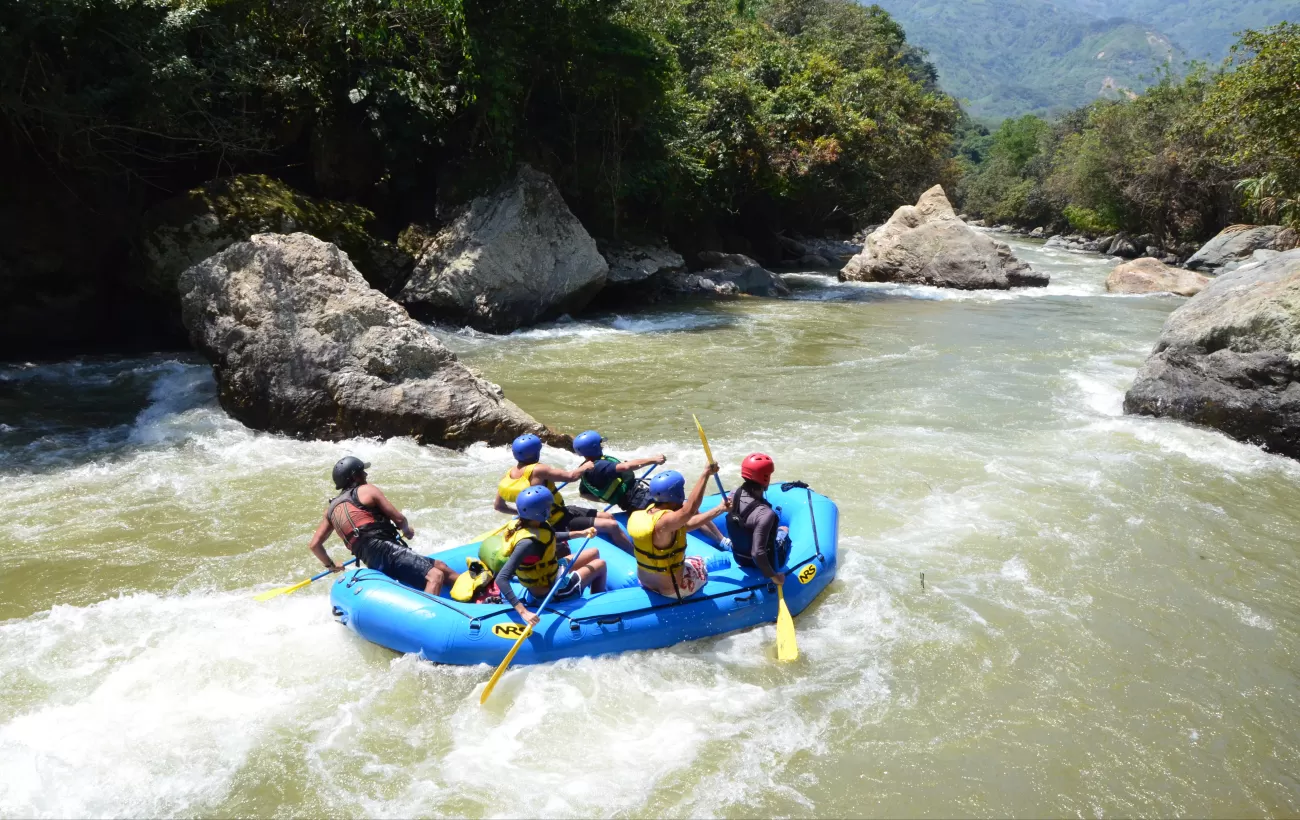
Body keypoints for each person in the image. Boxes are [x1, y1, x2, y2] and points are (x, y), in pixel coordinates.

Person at [306, 457, 460, 595]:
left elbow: (315, 545)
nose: (365, 475)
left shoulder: (331, 510)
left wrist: (331, 565)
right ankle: (427, 621)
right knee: (435, 576)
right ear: (354, 477)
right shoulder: (366, 490)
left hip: (370, 558)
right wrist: (407, 531)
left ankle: (476, 592)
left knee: (441, 566)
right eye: (362, 472)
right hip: (385, 548)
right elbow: (399, 519)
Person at [488, 485, 607, 627]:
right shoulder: (526, 544)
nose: (550, 509)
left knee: (594, 552)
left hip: (551, 573)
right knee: (601, 564)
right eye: (548, 507)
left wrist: (580, 533)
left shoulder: (527, 524)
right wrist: (523, 612)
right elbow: (502, 578)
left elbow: (549, 537)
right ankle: (599, 612)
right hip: (552, 591)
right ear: (540, 512)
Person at [495, 433, 633, 550]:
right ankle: (635, 557)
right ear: (536, 452)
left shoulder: (508, 474)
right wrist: (584, 467)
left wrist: (525, 512)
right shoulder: (538, 469)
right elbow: (571, 476)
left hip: (563, 511)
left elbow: (499, 506)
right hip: (557, 522)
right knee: (612, 525)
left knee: (607, 516)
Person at [626, 465, 729, 599]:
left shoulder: (641, 514)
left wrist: (719, 509)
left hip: (645, 582)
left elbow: (687, 525)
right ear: (677, 494)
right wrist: (705, 474)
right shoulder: (666, 522)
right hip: (672, 589)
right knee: (699, 561)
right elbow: (689, 510)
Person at [725, 453, 790, 584]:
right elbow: (757, 553)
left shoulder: (733, 494)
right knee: (784, 530)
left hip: (739, 558)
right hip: (759, 563)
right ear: (766, 477)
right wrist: (775, 577)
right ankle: (782, 534)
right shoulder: (765, 514)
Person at [571, 429, 664, 512]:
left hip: (627, 502)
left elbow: (583, 494)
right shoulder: (599, 465)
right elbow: (625, 467)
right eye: (600, 444)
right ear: (595, 447)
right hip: (638, 498)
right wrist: (654, 459)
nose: (602, 445)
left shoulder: (587, 468)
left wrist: (611, 499)